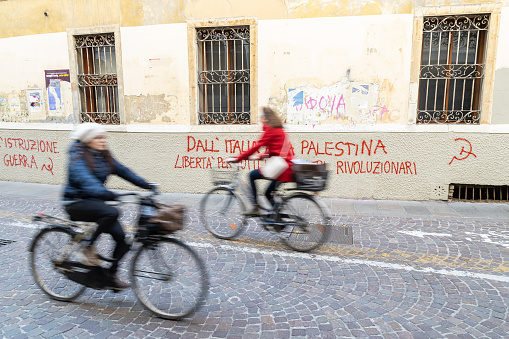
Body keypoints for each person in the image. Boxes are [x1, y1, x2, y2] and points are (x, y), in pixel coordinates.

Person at [62, 122, 153, 290]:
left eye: (103, 137)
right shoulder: (77, 156)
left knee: (123, 240)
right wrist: (106, 193)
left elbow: (124, 171)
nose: (102, 140)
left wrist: (146, 185)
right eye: (98, 137)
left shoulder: (104, 156)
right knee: (112, 211)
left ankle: (111, 276)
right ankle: (86, 246)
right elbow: (86, 180)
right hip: (75, 202)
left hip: (95, 202)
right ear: (88, 140)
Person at [226, 107, 294, 216]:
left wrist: (238, 158)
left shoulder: (270, 129)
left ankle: (255, 207)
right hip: (286, 167)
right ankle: (277, 218)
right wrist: (259, 157)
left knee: (252, 175)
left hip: (281, 170)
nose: (260, 119)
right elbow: (276, 149)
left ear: (266, 118)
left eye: (261, 117)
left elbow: (256, 146)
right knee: (267, 193)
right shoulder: (279, 129)